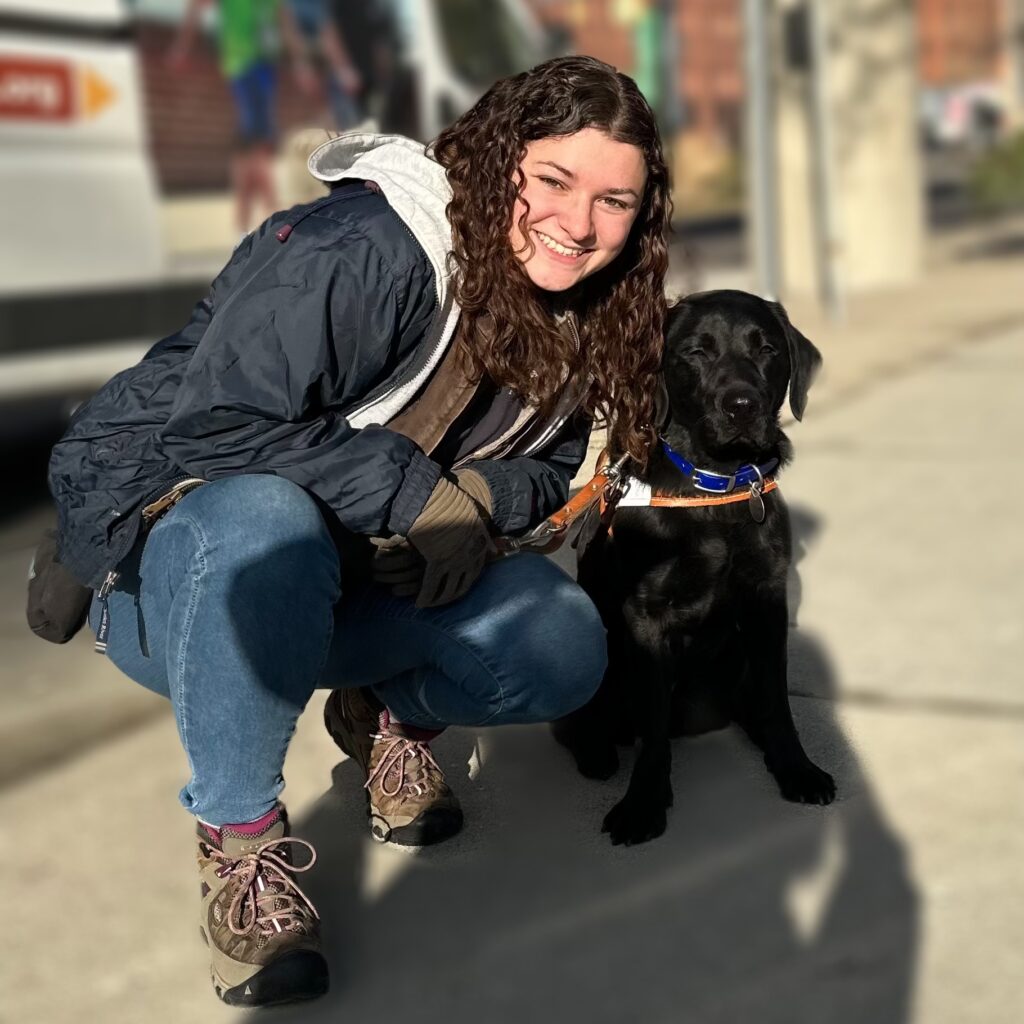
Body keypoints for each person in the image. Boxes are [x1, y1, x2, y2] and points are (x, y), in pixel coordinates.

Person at [48, 56, 670, 1007]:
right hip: (188, 584)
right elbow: (217, 422)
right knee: (265, 516)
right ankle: (243, 849)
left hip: (351, 584)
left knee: (557, 640)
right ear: (501, 158)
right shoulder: (368, 247)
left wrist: (474, 497)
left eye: (615, 201)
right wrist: (416, 497)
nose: (579, 226)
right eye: (553, 181)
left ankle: (387, 722)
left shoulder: (591, 312)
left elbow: (547, 473)